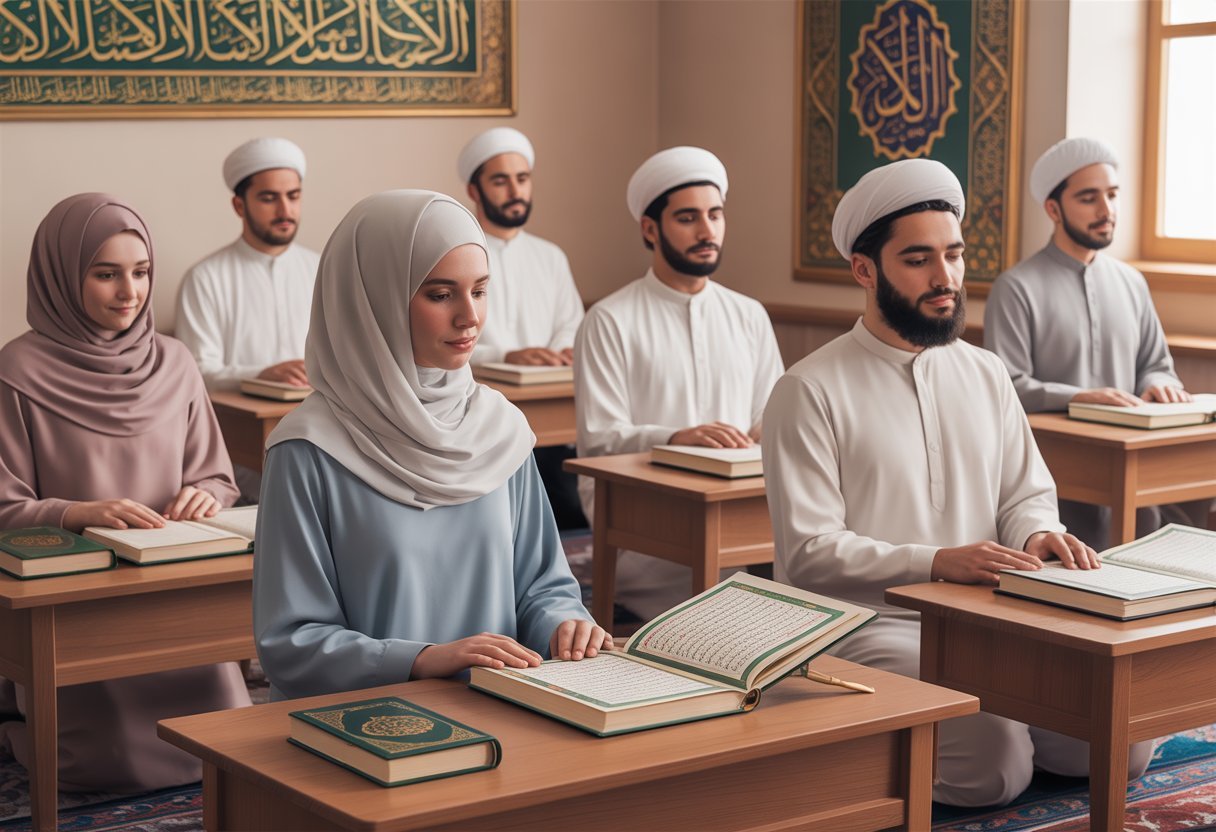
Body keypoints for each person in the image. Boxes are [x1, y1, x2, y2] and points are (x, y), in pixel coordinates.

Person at [763, 159, 1156, 807]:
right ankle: (847, 772)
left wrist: (1038, 534)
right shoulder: (808, 388)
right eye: (918, 259)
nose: (944, 278)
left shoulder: (985, 372)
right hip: (875, 622)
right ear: (866, 270)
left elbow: (1026, 492)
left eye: (954, 255)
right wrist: (939, 561)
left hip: (992, 612)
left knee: (1120, 740)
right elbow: (809, 552)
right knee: (994, 770)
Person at [253, 190, 608, 701]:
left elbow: (543, 588)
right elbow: (291, 642)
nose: (470, 318)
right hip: (369, 727)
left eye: (480, 291)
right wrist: (421, 660)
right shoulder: (308, 451)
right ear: (373, 299)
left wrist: (566, 625)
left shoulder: (501, 430)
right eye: (441, 295)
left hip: (502, 712)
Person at [0, 193, 250, 793]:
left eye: (140, 273)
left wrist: (203, 495)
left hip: (175, 584)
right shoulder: (17, 371)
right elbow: (4, 506)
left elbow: (218, 476)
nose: (129, 292)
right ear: (63, 276)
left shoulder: (176, 362)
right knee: (104, 765)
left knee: (230, 739)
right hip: (77, 597)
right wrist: (79, 514)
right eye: (105, 274)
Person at [574, 147, 783, 622]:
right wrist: (675, 438)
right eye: (688, 218)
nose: (707, 231)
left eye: (715, 215)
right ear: (651, 229)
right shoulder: (609, 319)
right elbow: (599, 440)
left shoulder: (748, 314)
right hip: (642, 536)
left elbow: (769, 419)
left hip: (742, 527)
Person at [985, 136, 1208, 550]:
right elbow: (1005, 388)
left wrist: (1157, 382)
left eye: (1112, 195)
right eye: (1089, 198)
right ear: (1053, 209)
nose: (1106, 211)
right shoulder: (1016, 288)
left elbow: (1156, 363)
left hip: (1135, 475)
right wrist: (1082, 397)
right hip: (1055, 489)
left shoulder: (1131, 282)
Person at [459, 127, 587, 528]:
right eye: (500, 180)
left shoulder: (550, 256)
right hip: (476, 412)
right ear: (475, 191)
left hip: (550, 401)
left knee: (566, 508)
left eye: (522, 178)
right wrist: (506, 356)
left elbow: (572, 323)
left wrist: (563, 349)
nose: (515, 190)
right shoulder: (456, 253)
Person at [175, 137, 319, 393]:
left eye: (293, 196)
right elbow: (197, 371)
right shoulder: (206, 278)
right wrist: (262, 375)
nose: (285, 210)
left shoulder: (322, 269)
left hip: (324, 422)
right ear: (239, 206)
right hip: (241, 425)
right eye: (268, 198)